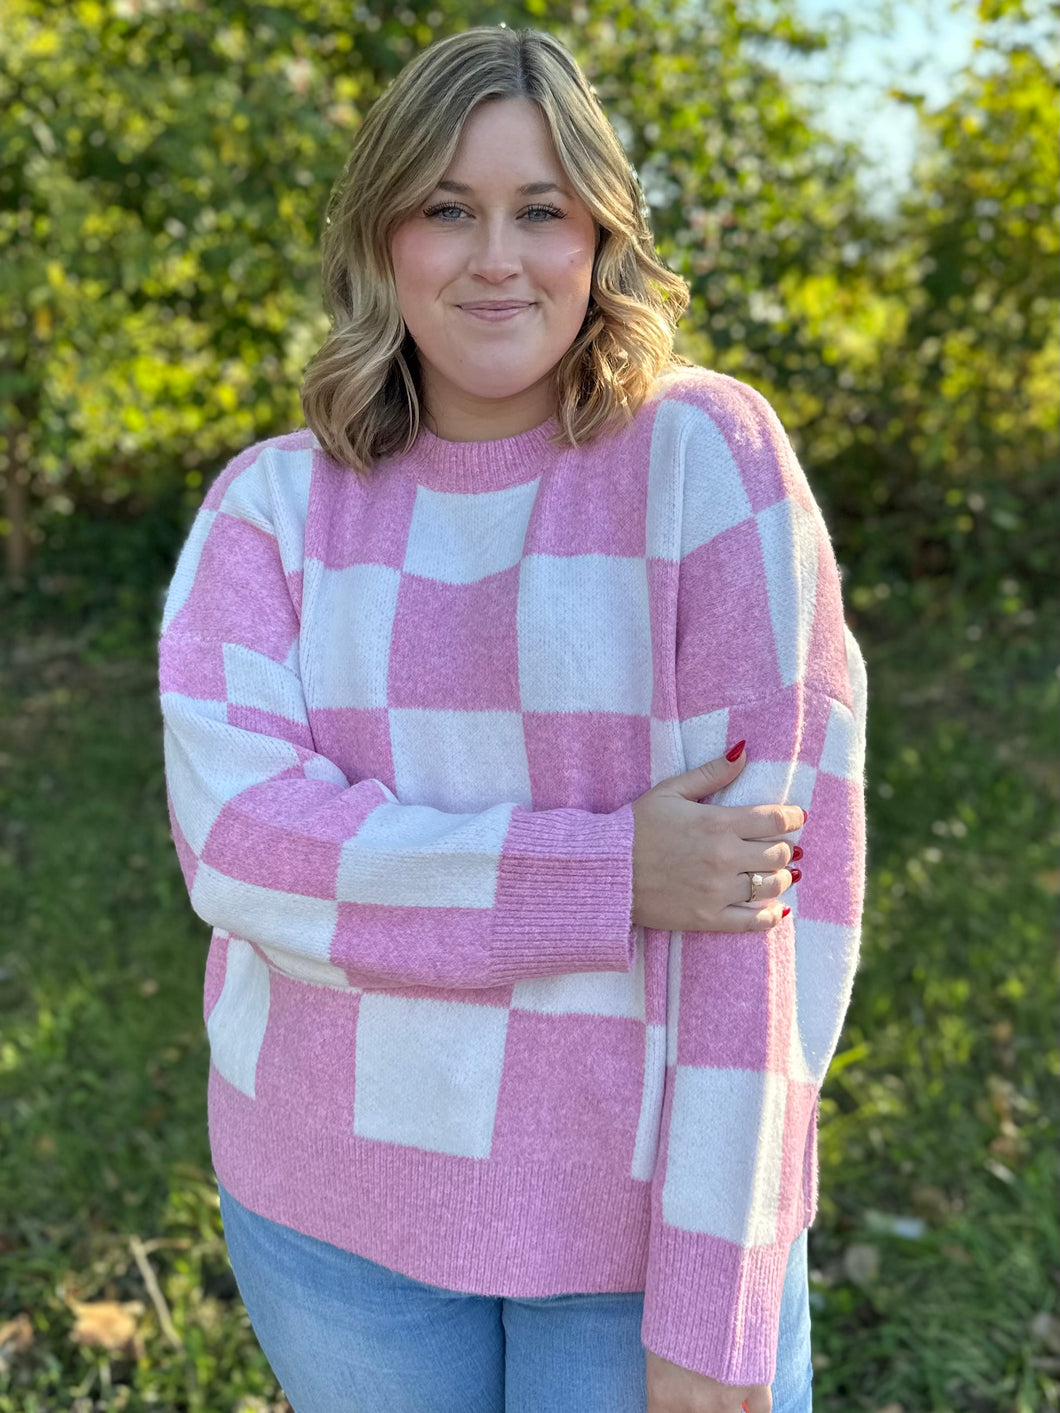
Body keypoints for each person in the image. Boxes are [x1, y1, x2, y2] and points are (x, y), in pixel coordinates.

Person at [158, 23, 866, 1413]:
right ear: (383, 236)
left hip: (635, 1222)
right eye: (448, 208)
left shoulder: (704, 463)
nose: (498, 256)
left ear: (600, 235)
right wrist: (609, 874)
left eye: (542, 210)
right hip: (330, 1202)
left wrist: (718, 1306)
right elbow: (246, 847)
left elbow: (774, 921)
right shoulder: (272, 508)